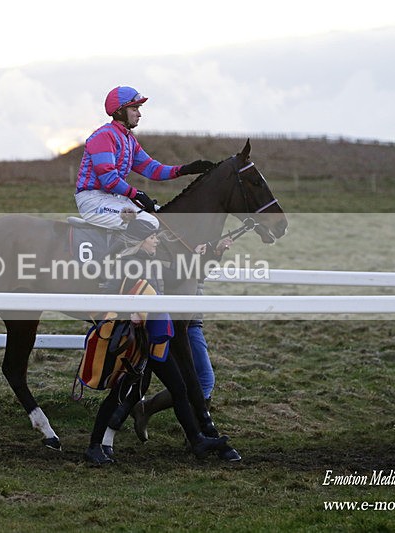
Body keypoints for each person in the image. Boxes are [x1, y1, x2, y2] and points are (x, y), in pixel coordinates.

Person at [84, 219, 230, 465]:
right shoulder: (129, 264)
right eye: (153, 237)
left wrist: (200, 256)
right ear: (142, 240)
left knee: (179, 388)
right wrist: (125, 313)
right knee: (119, 395)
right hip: (132, 343)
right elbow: (110, 296)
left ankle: (198, 441)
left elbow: (175, 276)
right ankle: (94, 446)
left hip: (150, 341)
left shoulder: (149, 262)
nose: (157, 240)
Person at [130, 238, 240, 459]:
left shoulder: (191, 245)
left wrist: (214, 254)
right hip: (178, 324)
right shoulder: (172, 246)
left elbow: (199, 274)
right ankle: (200, 434)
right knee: (200, 381)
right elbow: (178, 276)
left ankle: (157, 415)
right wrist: (198, 257)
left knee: (198, 381)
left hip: (191, 321)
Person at [75, 86, 216, 230]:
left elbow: (152, 169)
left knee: (165, 218)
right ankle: (119, 253)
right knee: (149, 223)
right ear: (119, 111)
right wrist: (138, 194)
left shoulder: (129, 140)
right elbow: (109, 179)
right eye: (134, 109)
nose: (139, 114)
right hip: (93, 201)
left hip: (113, 199)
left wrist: (185, 169)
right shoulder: (104, 136)